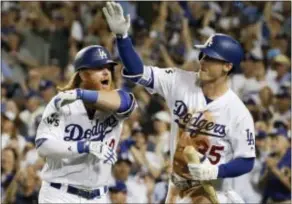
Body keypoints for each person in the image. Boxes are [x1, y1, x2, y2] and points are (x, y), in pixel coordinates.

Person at [103, 2, 256, 203]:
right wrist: (122, 38)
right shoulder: (179, 81)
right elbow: (137, 72)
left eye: (211, 58)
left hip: (212, 191)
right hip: (176, 190)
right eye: (203, 55)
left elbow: (246, 161)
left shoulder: (237, 111)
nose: (202, 61)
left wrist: (215, 170)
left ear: (227, 66)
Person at [35, 45, 136, 203]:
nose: (106, 72)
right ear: (82, 74)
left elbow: (125, 103)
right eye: (98, 68)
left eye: (108, 68)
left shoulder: (117, 99)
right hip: (60, 194)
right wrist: (84, 146)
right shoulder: (62, 102)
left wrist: (80, 94)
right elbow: (43, 146)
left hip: (99, 196)